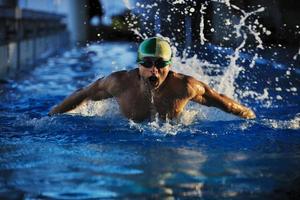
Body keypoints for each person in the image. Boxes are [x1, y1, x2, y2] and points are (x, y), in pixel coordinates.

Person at [49, 37, 256, 121]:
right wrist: (53, 115)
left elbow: (220, 100)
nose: (153, 71)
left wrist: (249, 115)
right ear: (139, 64)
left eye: (160, 64)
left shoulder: (185, 87)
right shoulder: (119, 83)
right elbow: (84, 94)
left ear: (169, 65)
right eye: (147, 64)